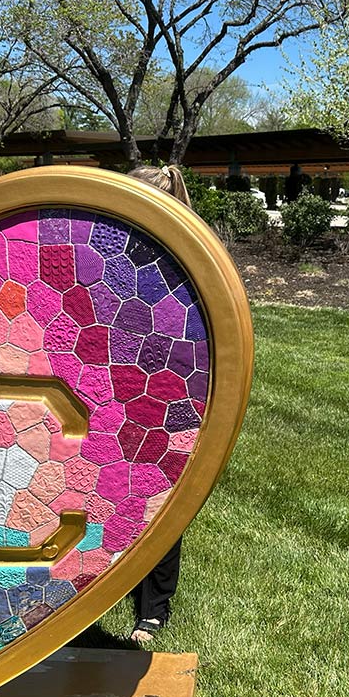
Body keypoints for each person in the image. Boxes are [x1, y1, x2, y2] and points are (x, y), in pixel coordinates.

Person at [126, 164, 190, 642]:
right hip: (116, 384)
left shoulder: (189, 257)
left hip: (173, 387)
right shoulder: (113, 246)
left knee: (163, 501)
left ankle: (153, 609)